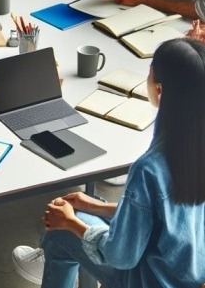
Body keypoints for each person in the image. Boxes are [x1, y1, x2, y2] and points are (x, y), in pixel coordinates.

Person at [12, 37, 205, 288]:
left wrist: (70, 223)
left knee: (60, 231)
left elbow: (121, 256)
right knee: (81, 211)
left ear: (159, 89)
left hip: (146, 280)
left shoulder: (149, 168)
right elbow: (160, 217)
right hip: (186, 275)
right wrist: (94, 206)